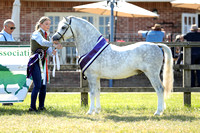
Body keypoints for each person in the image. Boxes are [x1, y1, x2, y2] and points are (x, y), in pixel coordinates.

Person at [28, 16, 62, 112]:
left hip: (42, 62)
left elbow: (49, 50)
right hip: (35, 62)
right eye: (46, 24)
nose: (48, 26)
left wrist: (53, 51)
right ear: (40, 24)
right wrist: (54, 44)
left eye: (49, 24)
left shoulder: (47, 35)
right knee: (37, 85)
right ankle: (32, 107)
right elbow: (43, 43)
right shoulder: (36, 34)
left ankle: (41, 106)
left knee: (43, 86)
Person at [0, 19, 16, 106]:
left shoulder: (10, 36)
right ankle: (5, 101)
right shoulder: (2, 37)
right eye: (11, 28)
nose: (13, 30)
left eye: (14, 28)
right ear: (5, 27)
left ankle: (8, 100)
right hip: (3, 64)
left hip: (10, 63)